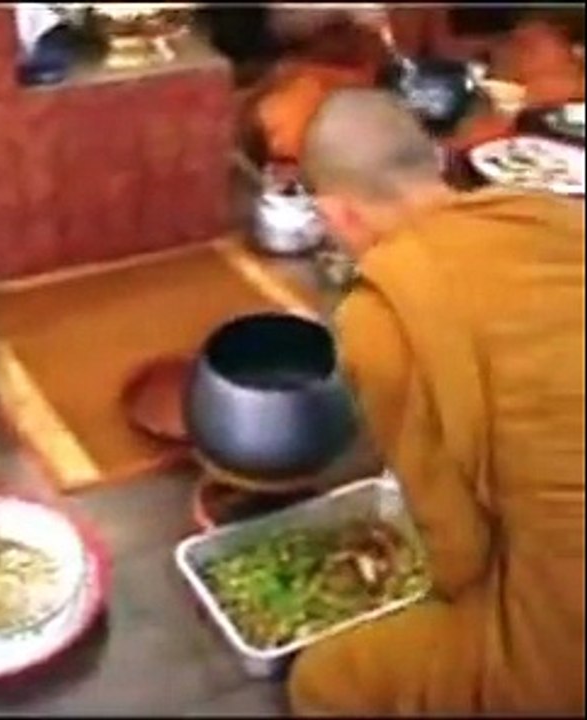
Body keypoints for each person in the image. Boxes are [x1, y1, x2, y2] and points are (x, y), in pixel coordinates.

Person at [289, 88, 584, 715]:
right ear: (439, 163)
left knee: (325, 679)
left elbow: (460, 551)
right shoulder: (548, 214)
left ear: (338, 214)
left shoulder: (381, 318)